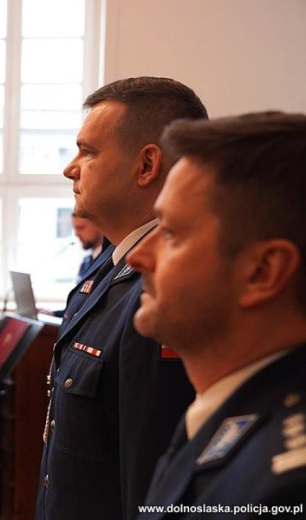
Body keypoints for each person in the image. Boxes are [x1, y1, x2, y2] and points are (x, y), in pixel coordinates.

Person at [36, 77, 208, 520]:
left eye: (88, 152)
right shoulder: (108, 267)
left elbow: (148, 483)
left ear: (147, 165)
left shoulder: (161, 292)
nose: (70, 168)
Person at [129, 112, 306, 518]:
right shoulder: (229, 406)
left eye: (170, 233)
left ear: (262, 272)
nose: (138, 256)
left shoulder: (283, 489)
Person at [50, 214, 112, 320]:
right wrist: (53, 314)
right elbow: (79, 306)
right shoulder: (86, 262)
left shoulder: (109, 263)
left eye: (81, 228)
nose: (77, 234)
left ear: (98, 226)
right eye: (74, 228)